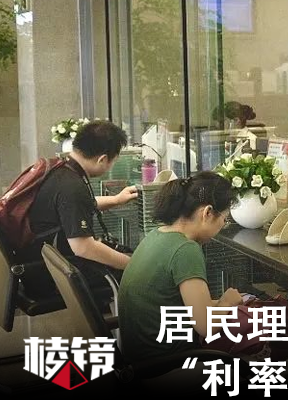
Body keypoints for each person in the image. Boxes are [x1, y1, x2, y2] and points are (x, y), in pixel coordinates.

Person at [117, 172, 243, 363]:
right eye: (224, 220)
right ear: (207, 213)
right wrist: (227, 302)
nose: (222, 227)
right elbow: (206, 326)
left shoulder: (156, 235)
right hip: (166, 364)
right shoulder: (186, 250)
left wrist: (217, 304)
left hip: (136, 359)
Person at [19, 120, 138, 300]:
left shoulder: (59, 168)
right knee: (137, 274)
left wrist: (116, 200)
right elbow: (83, 248)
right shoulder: (72, 187)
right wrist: (133, 266)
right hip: (50, 276)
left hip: (39, 263)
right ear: (102, 159)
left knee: (123, 254)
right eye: (113, 161)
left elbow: (74, 207)